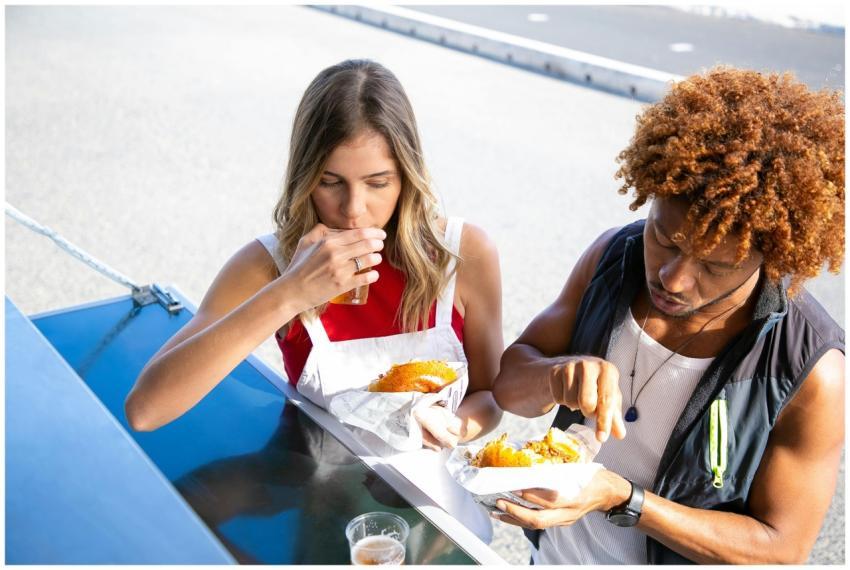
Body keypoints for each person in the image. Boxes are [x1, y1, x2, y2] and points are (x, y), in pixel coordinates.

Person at [492, 67, 844, 564]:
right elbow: (509, 387)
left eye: (716, 265)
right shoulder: (613, 257)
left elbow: (781, 548)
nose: (673, 279)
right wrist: (554, 377)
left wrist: (623, 498)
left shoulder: (810, 370)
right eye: (664, 238)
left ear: (775, 255)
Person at [125, 59, 503, 454]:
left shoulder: (462, 251)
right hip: (311, 493)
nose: (353, 208)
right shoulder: (268, 264)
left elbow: (490, 397)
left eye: (377, 183)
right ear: (304, 178)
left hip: (430, 495)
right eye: (330, 181)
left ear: (407, 176)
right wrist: (289, 292)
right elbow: (146, 410)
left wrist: (448, 423)